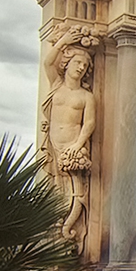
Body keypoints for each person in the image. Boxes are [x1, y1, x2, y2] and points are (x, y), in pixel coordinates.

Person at [42, 26, 97, 240]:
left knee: (75, 192)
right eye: (77, 63)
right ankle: (56, 228)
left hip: (73, 146)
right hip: (53, 145)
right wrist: (62, 41)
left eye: (84, 65)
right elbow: (48, 62)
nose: (81, 67)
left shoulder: (86, 96)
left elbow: (89, 123)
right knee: (54, 187)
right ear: (66, 65)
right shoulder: (56, 85)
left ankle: (67, 229)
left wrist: (78, 144)